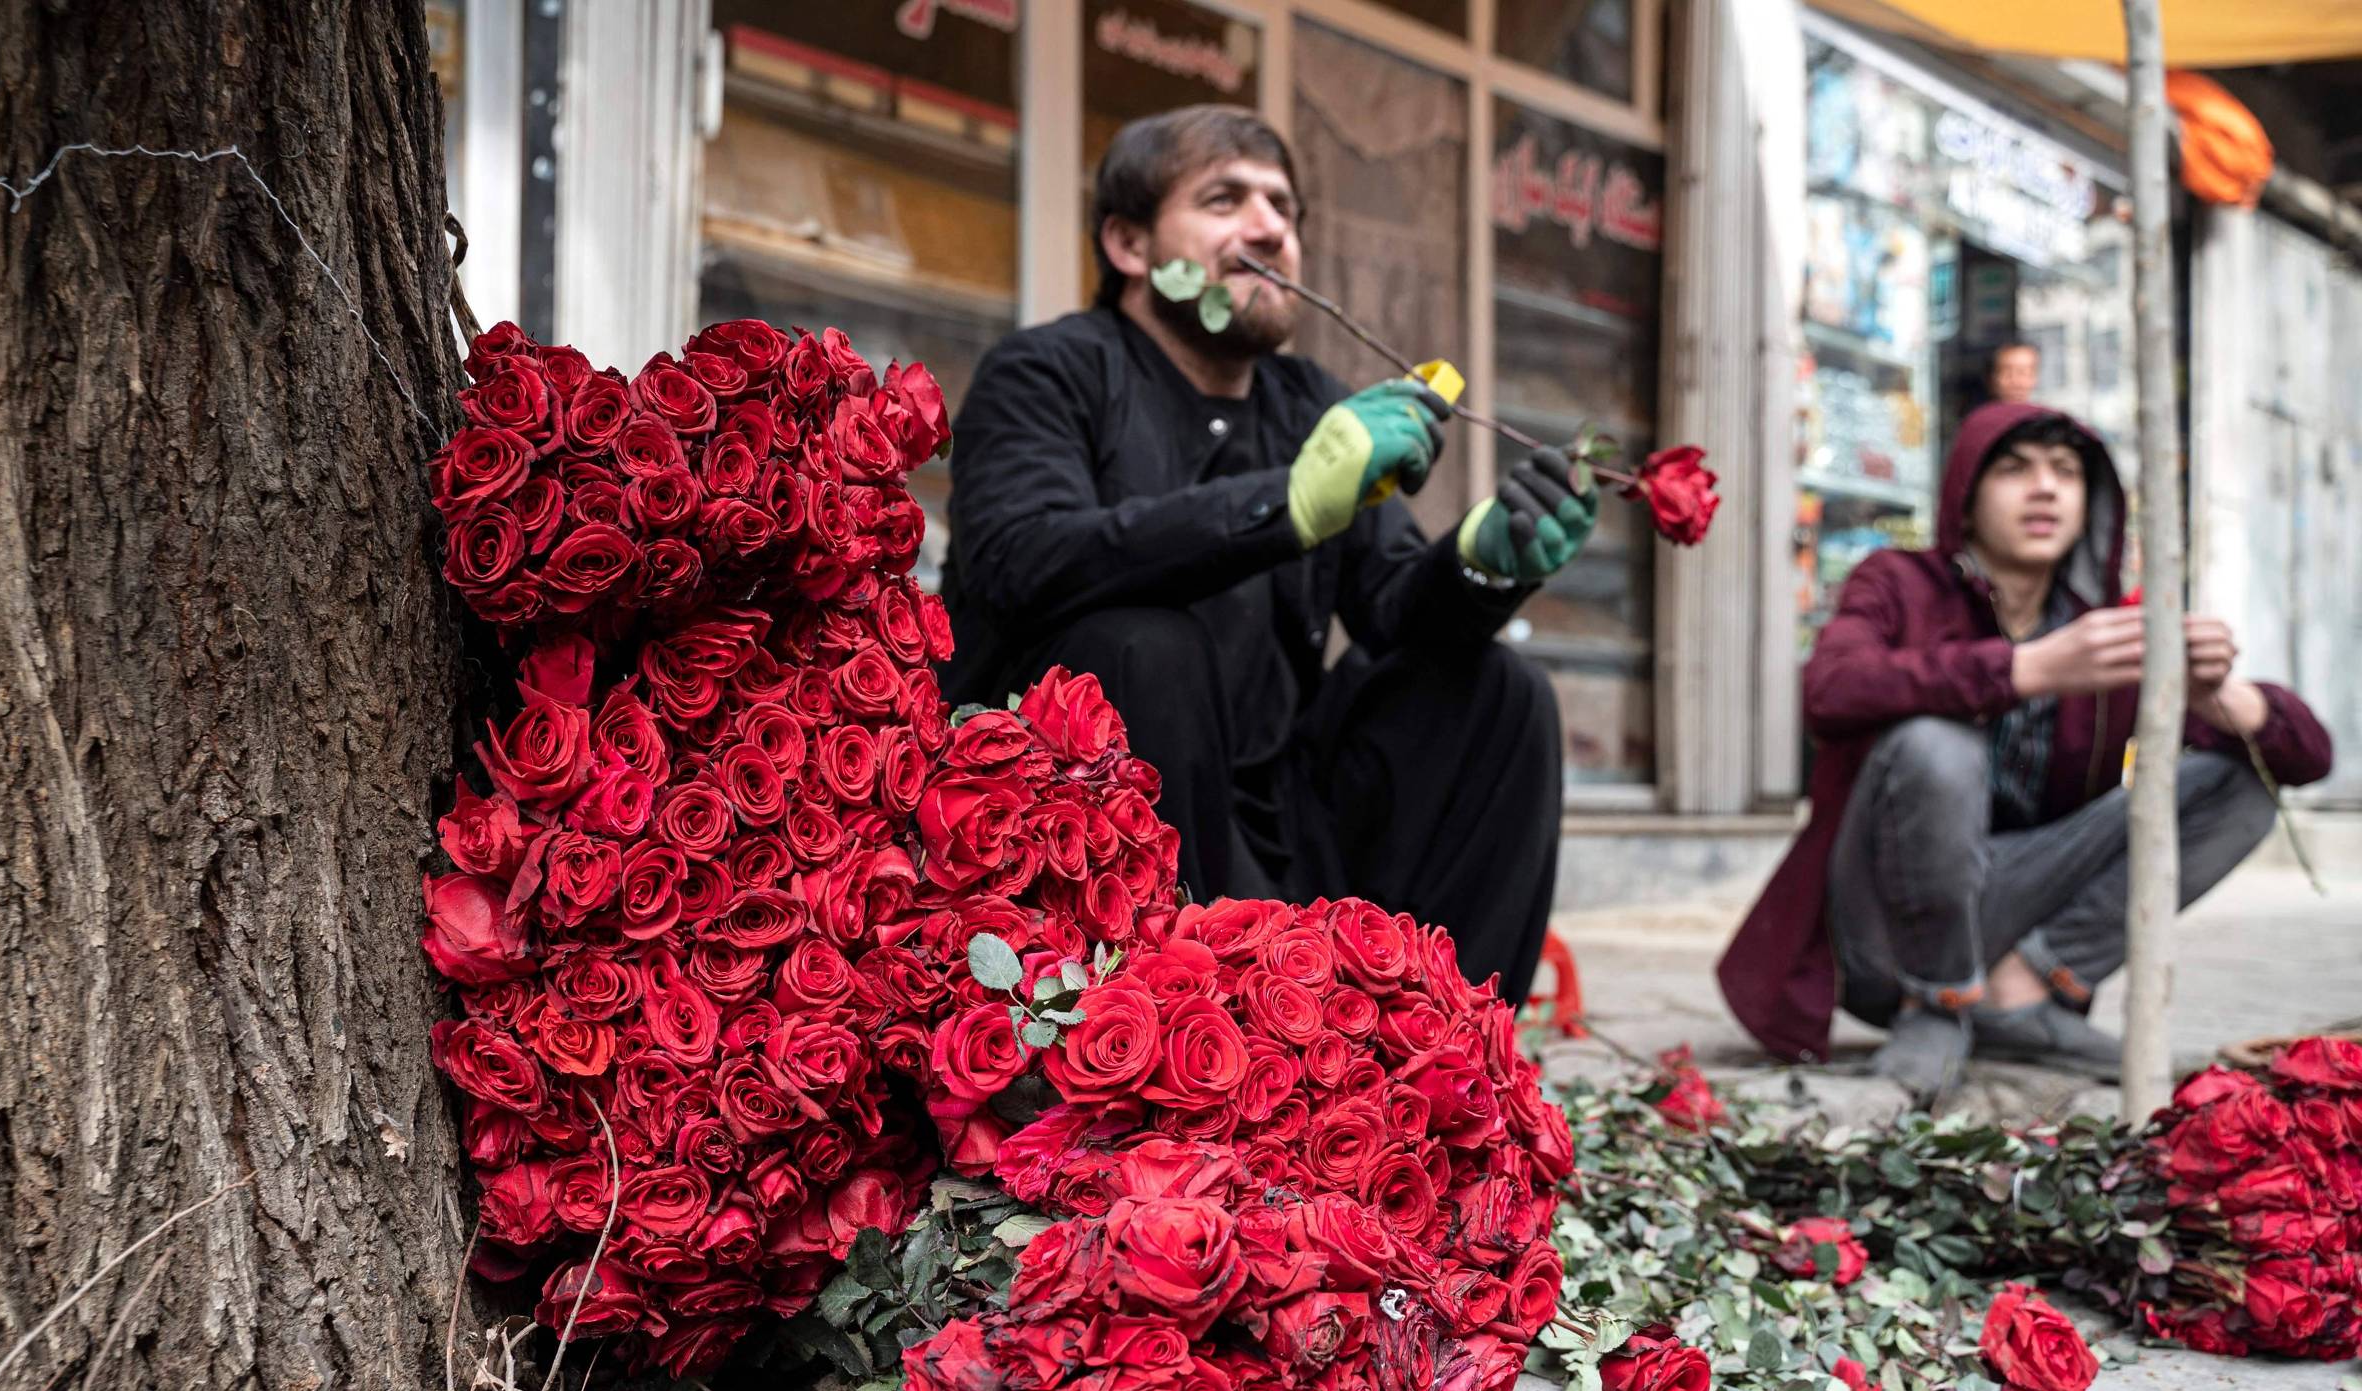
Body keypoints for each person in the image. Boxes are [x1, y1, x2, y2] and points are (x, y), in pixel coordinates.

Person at [940, 105, 1591, 1008]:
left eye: (1283, 208)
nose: (1270, 229)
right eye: (1224, 199)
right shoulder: (1049, 371)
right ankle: (1159, 1039)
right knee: (1142, 642)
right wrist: (1276, 508)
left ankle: (1444, 1052)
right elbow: (1022, 557)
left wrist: (1482, 563)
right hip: (1077, 834)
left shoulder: (1306, 400)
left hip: (1284, 818)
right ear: (1128, 245)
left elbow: (1393, 611)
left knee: (1502, 692)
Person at [1719, 402, 2333, 1098]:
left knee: (2242, 783)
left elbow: (2309, 757)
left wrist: (2225, 697)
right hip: (1883, 925)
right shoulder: (1896, 581)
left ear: (2089, 503)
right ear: (1967, 498)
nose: (2044, 488)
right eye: (2015, 470)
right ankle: (1936, 999)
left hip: (2014, 908)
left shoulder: (2103, 631)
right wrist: (2024, 668)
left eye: (2066, 473)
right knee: (1934, 741)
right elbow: (1828, 688)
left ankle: (2023, 993)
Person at [1989, 340, 2040, 406]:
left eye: (2022, 373)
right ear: (1991, 379)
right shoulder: (1981, 415)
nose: (2016, 382)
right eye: (2007, 374)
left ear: (2035, 377)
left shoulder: (2047, 414)